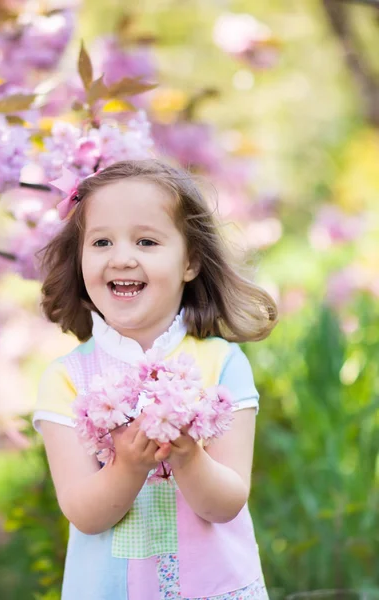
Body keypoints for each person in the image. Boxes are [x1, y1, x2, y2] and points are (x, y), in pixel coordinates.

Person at [33, 159, 278, 600]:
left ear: (190, 261)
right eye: (101, 241)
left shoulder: (222, 365)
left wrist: (187, 456)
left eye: (146, 241)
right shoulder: (66, 379)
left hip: (214, 588)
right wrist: (128, 466)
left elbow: (225, 503)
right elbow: (83, 513)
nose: (122, 257)